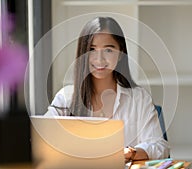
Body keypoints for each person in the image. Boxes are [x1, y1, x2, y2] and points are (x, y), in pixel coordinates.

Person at [45, 16, 170, 162]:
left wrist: (130, 153)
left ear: (121, 53)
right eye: (92, 49)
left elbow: (160, 146)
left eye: (108, 50)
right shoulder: (66, 98)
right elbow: (43, 137)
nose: (99, 59)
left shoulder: (139, 98)